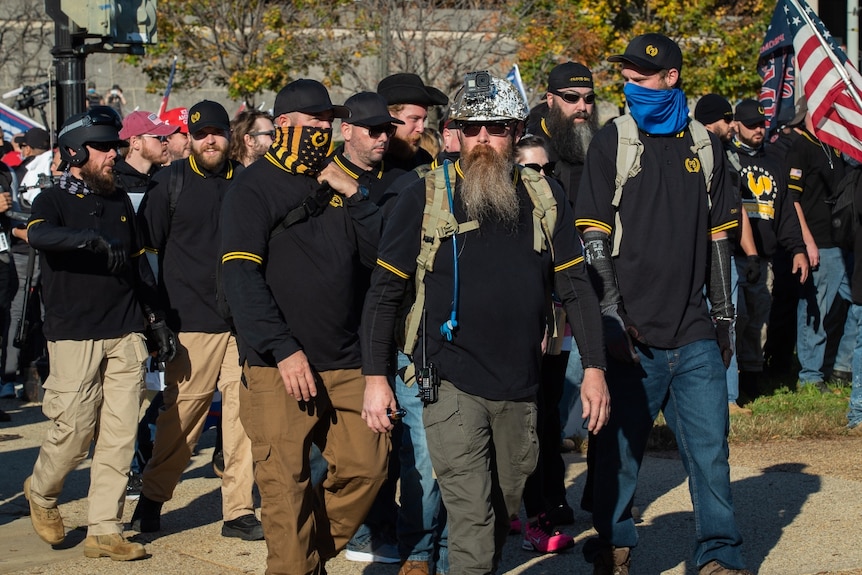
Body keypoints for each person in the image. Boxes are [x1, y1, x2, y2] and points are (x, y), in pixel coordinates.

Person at [360, 71, 610, 575]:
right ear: (452, 132)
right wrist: (375, 380)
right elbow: (384, 294)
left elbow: (576, 288)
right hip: (448, 381)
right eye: (469, 128)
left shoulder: (545, 198)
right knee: (472, 518)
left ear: (515, 131)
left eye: (494, 128)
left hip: (521, 385)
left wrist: (596, 370)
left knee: (501, 511)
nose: (480, 140)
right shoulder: (423, 197)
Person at [575, 34, 751, 575]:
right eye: (625, 76)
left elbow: (721, 239)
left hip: (695, 330)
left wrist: (723, 322)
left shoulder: (706, 145)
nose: (630, 85)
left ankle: (718, 553)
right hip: (631, 333)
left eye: (641, 77)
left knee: (709, 453)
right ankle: (615, 543)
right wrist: (612, 318)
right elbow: (593, 235)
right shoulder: (613, 141)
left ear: (670, 77)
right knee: (619, 455)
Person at [220, 78, 389, 575]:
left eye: (328, 124)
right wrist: (282, 347)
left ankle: (306, 552)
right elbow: (240, 277)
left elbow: (382, 258)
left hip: (345, 359)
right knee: (283, 489)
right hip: (278, 366)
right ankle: (295, 564)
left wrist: (353, 192)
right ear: (284, 126)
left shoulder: (341, 179)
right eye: (313, 123)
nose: (322, 132)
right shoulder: (251, 188)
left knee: (368, 467)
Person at [22, 105, 176, 561]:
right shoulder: (51, 200)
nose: (115, 153)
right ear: (74, 151)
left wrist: (157, 320)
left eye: (116, 145)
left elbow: (138, 269)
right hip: (74, 335)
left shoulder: (119, 203)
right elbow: (38, 235)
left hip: (125, 331)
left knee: (120, 433)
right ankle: (43, 493)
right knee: (72, 433)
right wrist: (83, 239)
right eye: (104, 146)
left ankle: (104, 530)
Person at [130, 100, 262, 541]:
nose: (211, 140)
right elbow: (144, 253)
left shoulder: (248, 184)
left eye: (218, 132)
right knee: (181, 419)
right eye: (202, 132)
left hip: (240, 322)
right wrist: (156, 319)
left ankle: (238, 511)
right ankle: (152, 497)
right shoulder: (169, 183)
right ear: (188, 137)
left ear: (231, 137)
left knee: (243, 419)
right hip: (189, 323)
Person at [730, 99, 808, 395]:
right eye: (751, 125)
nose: (758, 130)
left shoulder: (774, 163)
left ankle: (752, 379)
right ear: (736, 125)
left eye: (762, 124)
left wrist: (797, 248)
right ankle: (731, 382)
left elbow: (787, 213)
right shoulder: (727, 159)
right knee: (737, 320)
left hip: (766, 259)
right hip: (733, 256)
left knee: (759, 322)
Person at [694, 93, 759, 414]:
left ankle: (730, 397)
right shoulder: (691, 152)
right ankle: (704, 395)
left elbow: (738, 209)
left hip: (726, 250)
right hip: (695, 249)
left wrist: (751, 253)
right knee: (699, 322)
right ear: (709, 121)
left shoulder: (729, 158)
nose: (733, 126)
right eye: (726, 119)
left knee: (728, 320)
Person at [789, 108, 855, 393]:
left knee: (854, 306)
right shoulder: (801, 146)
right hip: (819, 243)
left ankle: (841, 365)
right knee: (815, 311)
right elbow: (793, 199)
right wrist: (807, 241)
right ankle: (810, 376)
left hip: (843, 242)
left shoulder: (836, 147)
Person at [377, 73, 448, 171]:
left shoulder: (423, 159)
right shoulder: (370, 159)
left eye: (424, 120)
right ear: (390, 117)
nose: (421, 129)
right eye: (414, 119)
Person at [113, 111, 178, 211]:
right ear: (135, 142)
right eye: (159, 137)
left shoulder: (166, 177)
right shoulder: (113, 181)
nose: (165, 142)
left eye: (165, 137)